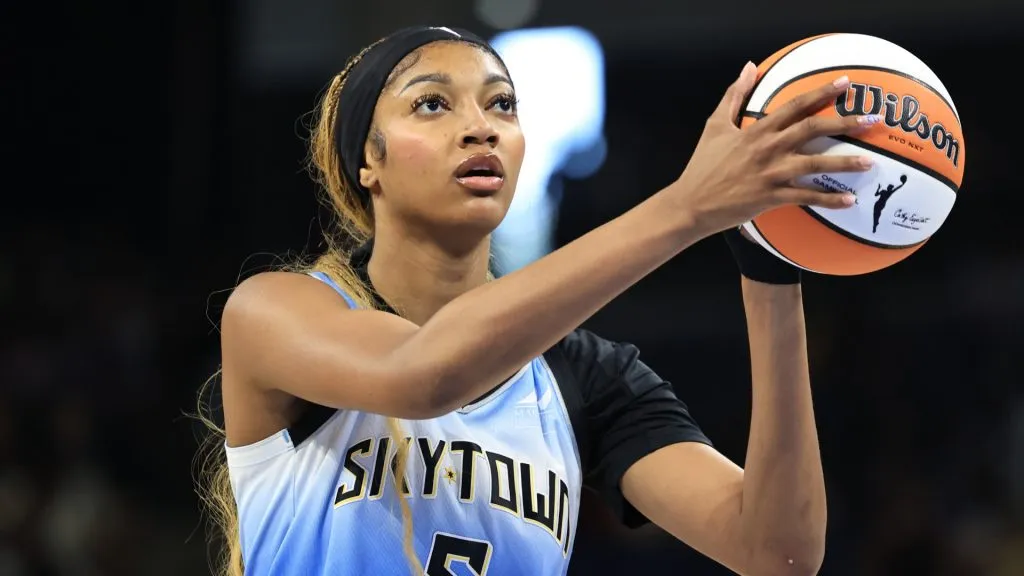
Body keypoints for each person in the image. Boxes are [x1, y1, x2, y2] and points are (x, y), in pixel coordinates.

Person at [196, 25, 880, 576]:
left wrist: (772, 262)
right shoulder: (275, 311)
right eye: (432, 104)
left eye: (502, 104)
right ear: (365, 162)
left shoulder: (589, 376)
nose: (480, 127)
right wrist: (688, 207)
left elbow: (777, 554)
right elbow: (424, 374)